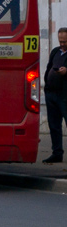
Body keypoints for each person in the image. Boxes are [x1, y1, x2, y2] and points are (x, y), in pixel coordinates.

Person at [43, 27, 67, 163]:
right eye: (60, 41)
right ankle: (57, 153)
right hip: (51, 93)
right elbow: (48, 67)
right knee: (54, 125)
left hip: (64, 96)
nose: (62, 44)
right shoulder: (55, 52)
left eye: (65, 42)